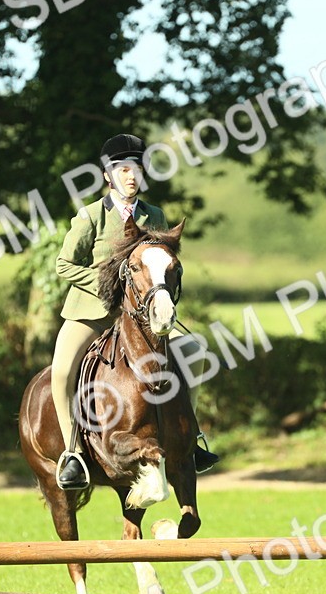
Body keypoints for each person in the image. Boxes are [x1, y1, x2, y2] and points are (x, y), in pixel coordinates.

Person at [52, 133, 220, 490]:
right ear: (107, 176)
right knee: (62, 370)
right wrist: (105, 279)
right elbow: (64, 265)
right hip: (93, 310)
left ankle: (190, 438)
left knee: (195, 351)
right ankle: (73, 454)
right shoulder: (92, 216)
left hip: (139, 315)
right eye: (123, 169)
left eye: (137, 170)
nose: (131, 176)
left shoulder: (154, 215)